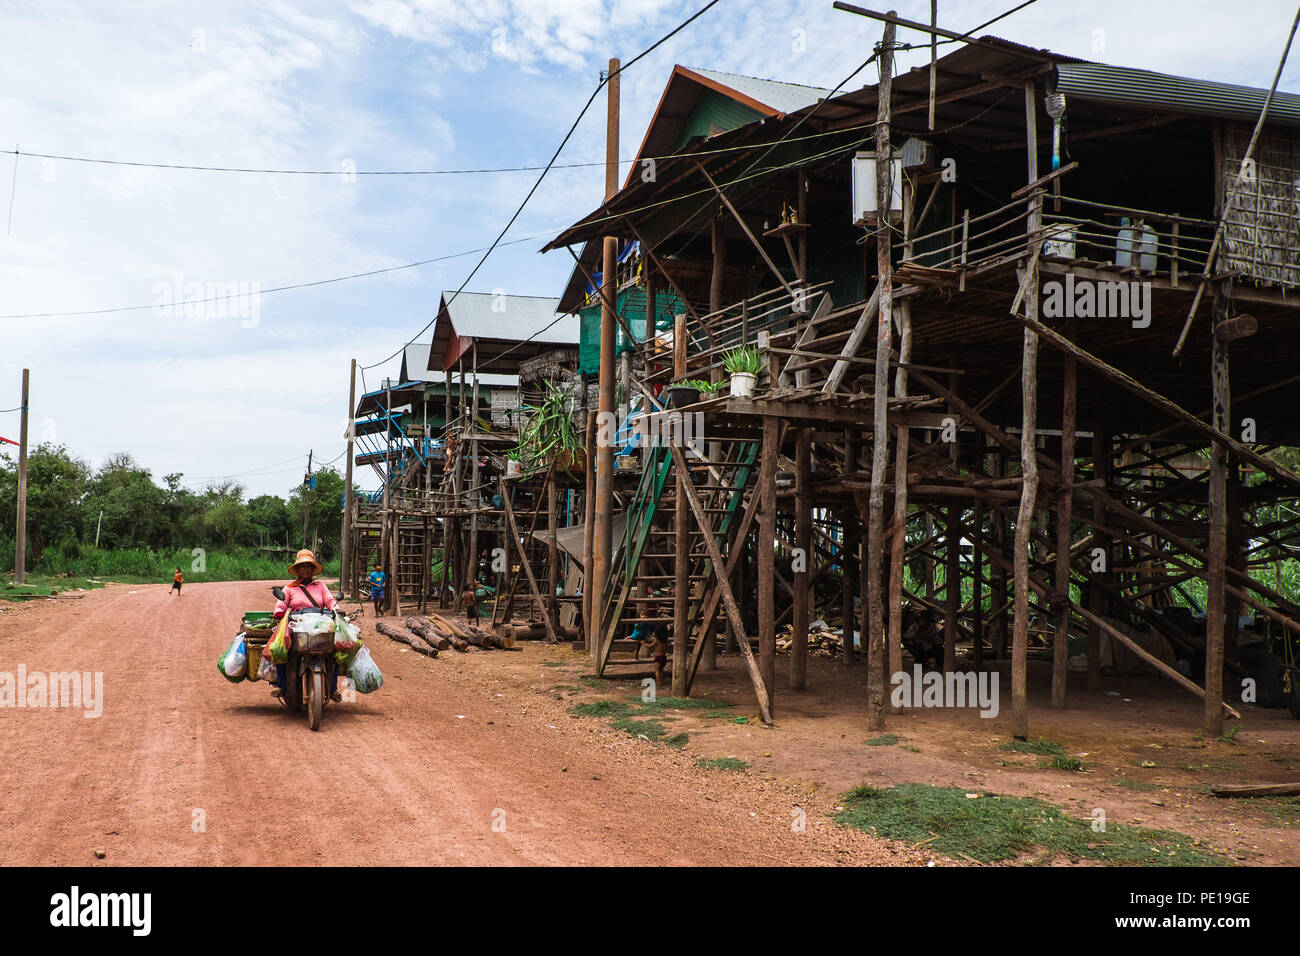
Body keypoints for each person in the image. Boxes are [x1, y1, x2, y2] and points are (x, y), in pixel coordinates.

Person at [270, 549, 342, 702]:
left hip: (320, 626)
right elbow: (281, 604)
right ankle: (281, 685)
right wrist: (278, 613)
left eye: (309, 566)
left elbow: (330, 602)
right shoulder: (290, 588)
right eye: (303, 566)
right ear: (297, 569)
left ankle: (333, 688)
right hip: (298, 627)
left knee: (333, 652)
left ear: (313, 569)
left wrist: (337, 610)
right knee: (283, 650)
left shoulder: (321, 586)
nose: (306, 569)